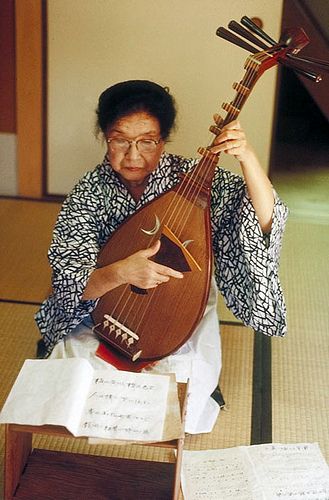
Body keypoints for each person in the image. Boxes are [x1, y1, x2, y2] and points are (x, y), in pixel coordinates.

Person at [35, 80, 288, 434]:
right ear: (105, 137)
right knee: (78, 380)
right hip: (101, 308)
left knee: (180, 389)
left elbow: (263, 219)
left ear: (164, 140)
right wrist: (122, 271)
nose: (133, 154)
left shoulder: (192, 181)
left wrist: (246, 156)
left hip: (178, 307)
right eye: (120, 140)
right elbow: (69, 282)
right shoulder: (88, 192)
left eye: (147, 141)